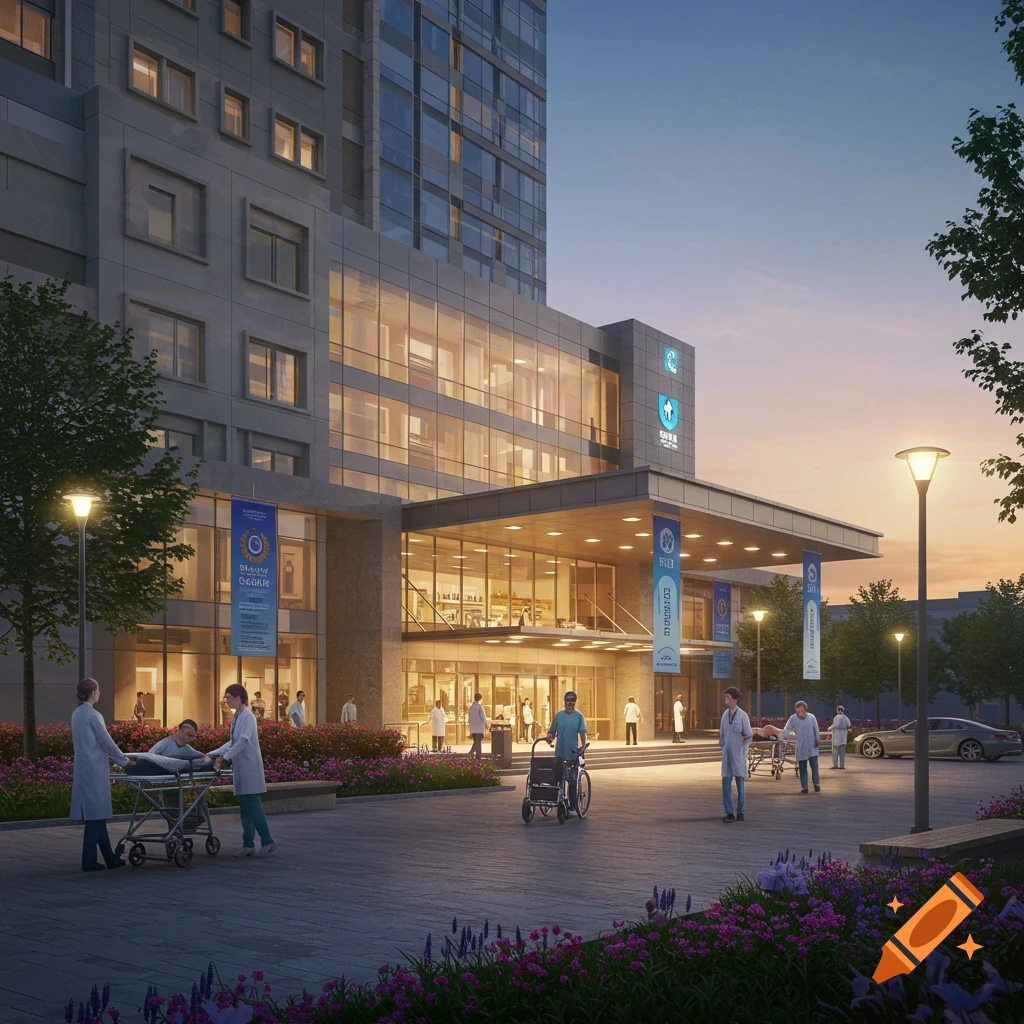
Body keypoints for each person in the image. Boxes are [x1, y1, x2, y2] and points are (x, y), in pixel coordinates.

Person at [71, 678, 134, 872]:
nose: (99, 693)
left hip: (84, 768)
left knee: (96, 814)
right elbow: (107, 742)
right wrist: (124, 761)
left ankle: (110, 858)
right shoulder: (94, 715)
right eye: (97, 690)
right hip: (95, 769)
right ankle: (88, 861)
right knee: (95, 817)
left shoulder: (76, 714)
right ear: (93, 693)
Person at [208, 684, 276, 858]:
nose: (227, 699)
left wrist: (225, 757)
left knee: (253, 806)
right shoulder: (237, 717)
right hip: (241, 768)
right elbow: (232, 742)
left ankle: (267, 841)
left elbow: (243, 740)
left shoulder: (248, 716)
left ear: (239, 697)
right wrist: (214, 753)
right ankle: (248, 844)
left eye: (229, 696)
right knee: (245, 808)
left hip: (249, 767)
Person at [545, 691, 587, 814]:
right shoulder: (559, 716)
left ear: (575, 702)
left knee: (572, 781)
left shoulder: (579, 716)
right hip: (559, 752)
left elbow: (582, 733)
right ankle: (561, 802)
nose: (570, 702)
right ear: (564, 702)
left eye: (572, 700)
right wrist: (549, 737)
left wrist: (583, 747)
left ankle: (573, 806)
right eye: (568, 700)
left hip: (572, 752)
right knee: (559, 779)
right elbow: (552, 731)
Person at [719, 686, 752, 823]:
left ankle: (741, 811)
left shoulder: (743, 715)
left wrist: (743, 751)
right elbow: (721, 734)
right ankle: (729, 812)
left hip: (738, 753)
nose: (726, 699)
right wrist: (723, 746)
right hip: (727, 753)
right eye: (725, 697)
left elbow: (749, 735)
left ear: (735, 699)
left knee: (740, 783)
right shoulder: (725, 715)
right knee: (726, 782)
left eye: (728, 697)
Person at [782, 700, 821, 794]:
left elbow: (816, 729)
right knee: (802, 768)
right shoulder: (793, 718)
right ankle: (804, 787)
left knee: (814, 766)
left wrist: (817, 740)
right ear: (796, 709)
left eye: (802, 707)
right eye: (798, 707)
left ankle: (816, 784)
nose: (801, 710)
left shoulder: (811, 717)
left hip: (812, 745)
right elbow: (787, 729)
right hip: (801, 746)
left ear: (805, 709)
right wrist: (780, 736)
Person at [829, 705, 852, 770]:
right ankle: (842, 766)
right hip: (843, 738)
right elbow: (849, 726)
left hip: (836, 738)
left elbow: (835, 725)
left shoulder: (836, 717)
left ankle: (835, 765)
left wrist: (829, 729)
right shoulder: (846, 718)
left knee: (835, 753)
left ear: (837, 710)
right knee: (842, 753)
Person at [468, 693, 487, 760]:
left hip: (473, 728)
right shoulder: (479, 707)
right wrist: (485, 725)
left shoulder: (471, 707)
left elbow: (469, 718)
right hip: (479, 727)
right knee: (477, 741)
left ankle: (478, 756)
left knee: (477, 742)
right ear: (480, 699)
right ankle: (471, 752)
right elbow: (483, 717)